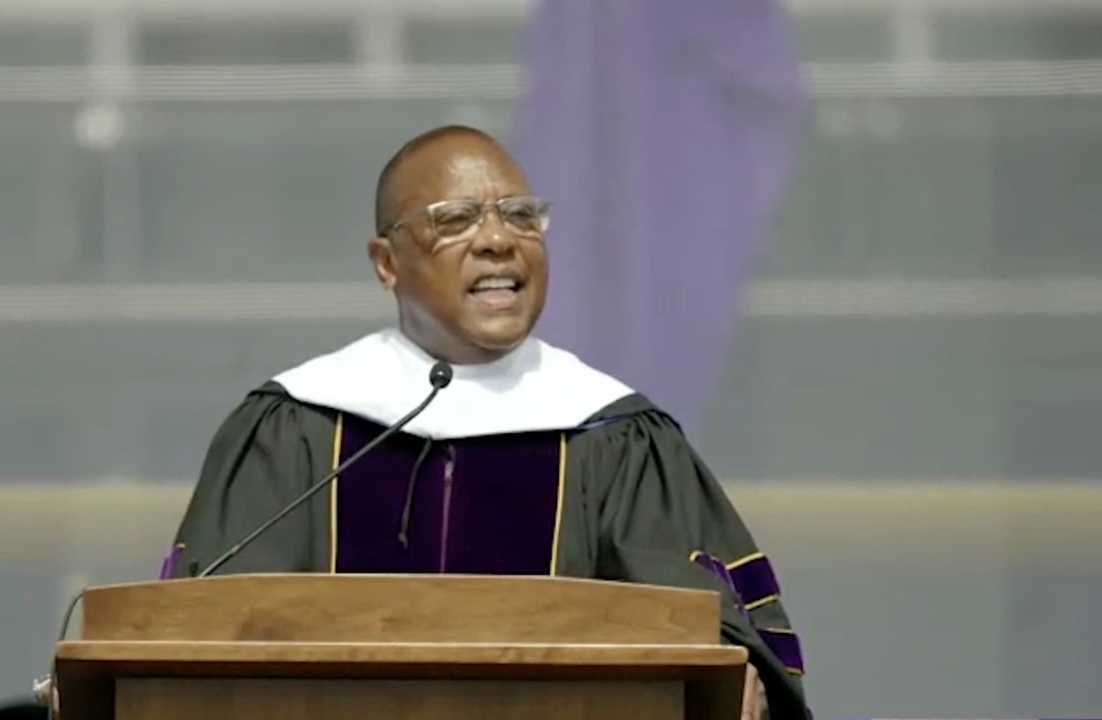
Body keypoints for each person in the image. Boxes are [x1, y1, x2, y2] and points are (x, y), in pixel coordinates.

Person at [165, 125, 810, 720]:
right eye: (456, 219)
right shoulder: (297, 426)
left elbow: (715, 641)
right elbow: (201, 633)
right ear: (386, 262)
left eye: (522, 216)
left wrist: (737, 672)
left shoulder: (612, 434)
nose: (499, 239)